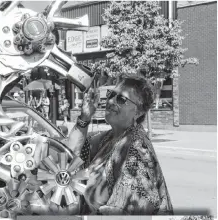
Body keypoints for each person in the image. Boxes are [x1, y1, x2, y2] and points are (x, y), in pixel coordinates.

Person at [67, 74, 173, 215]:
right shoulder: (109, 137)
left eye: (121, 99)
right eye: (111, 94)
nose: (110, 101)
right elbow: (71, 155)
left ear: (139, 112)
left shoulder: (136, 149)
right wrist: (85, 117)